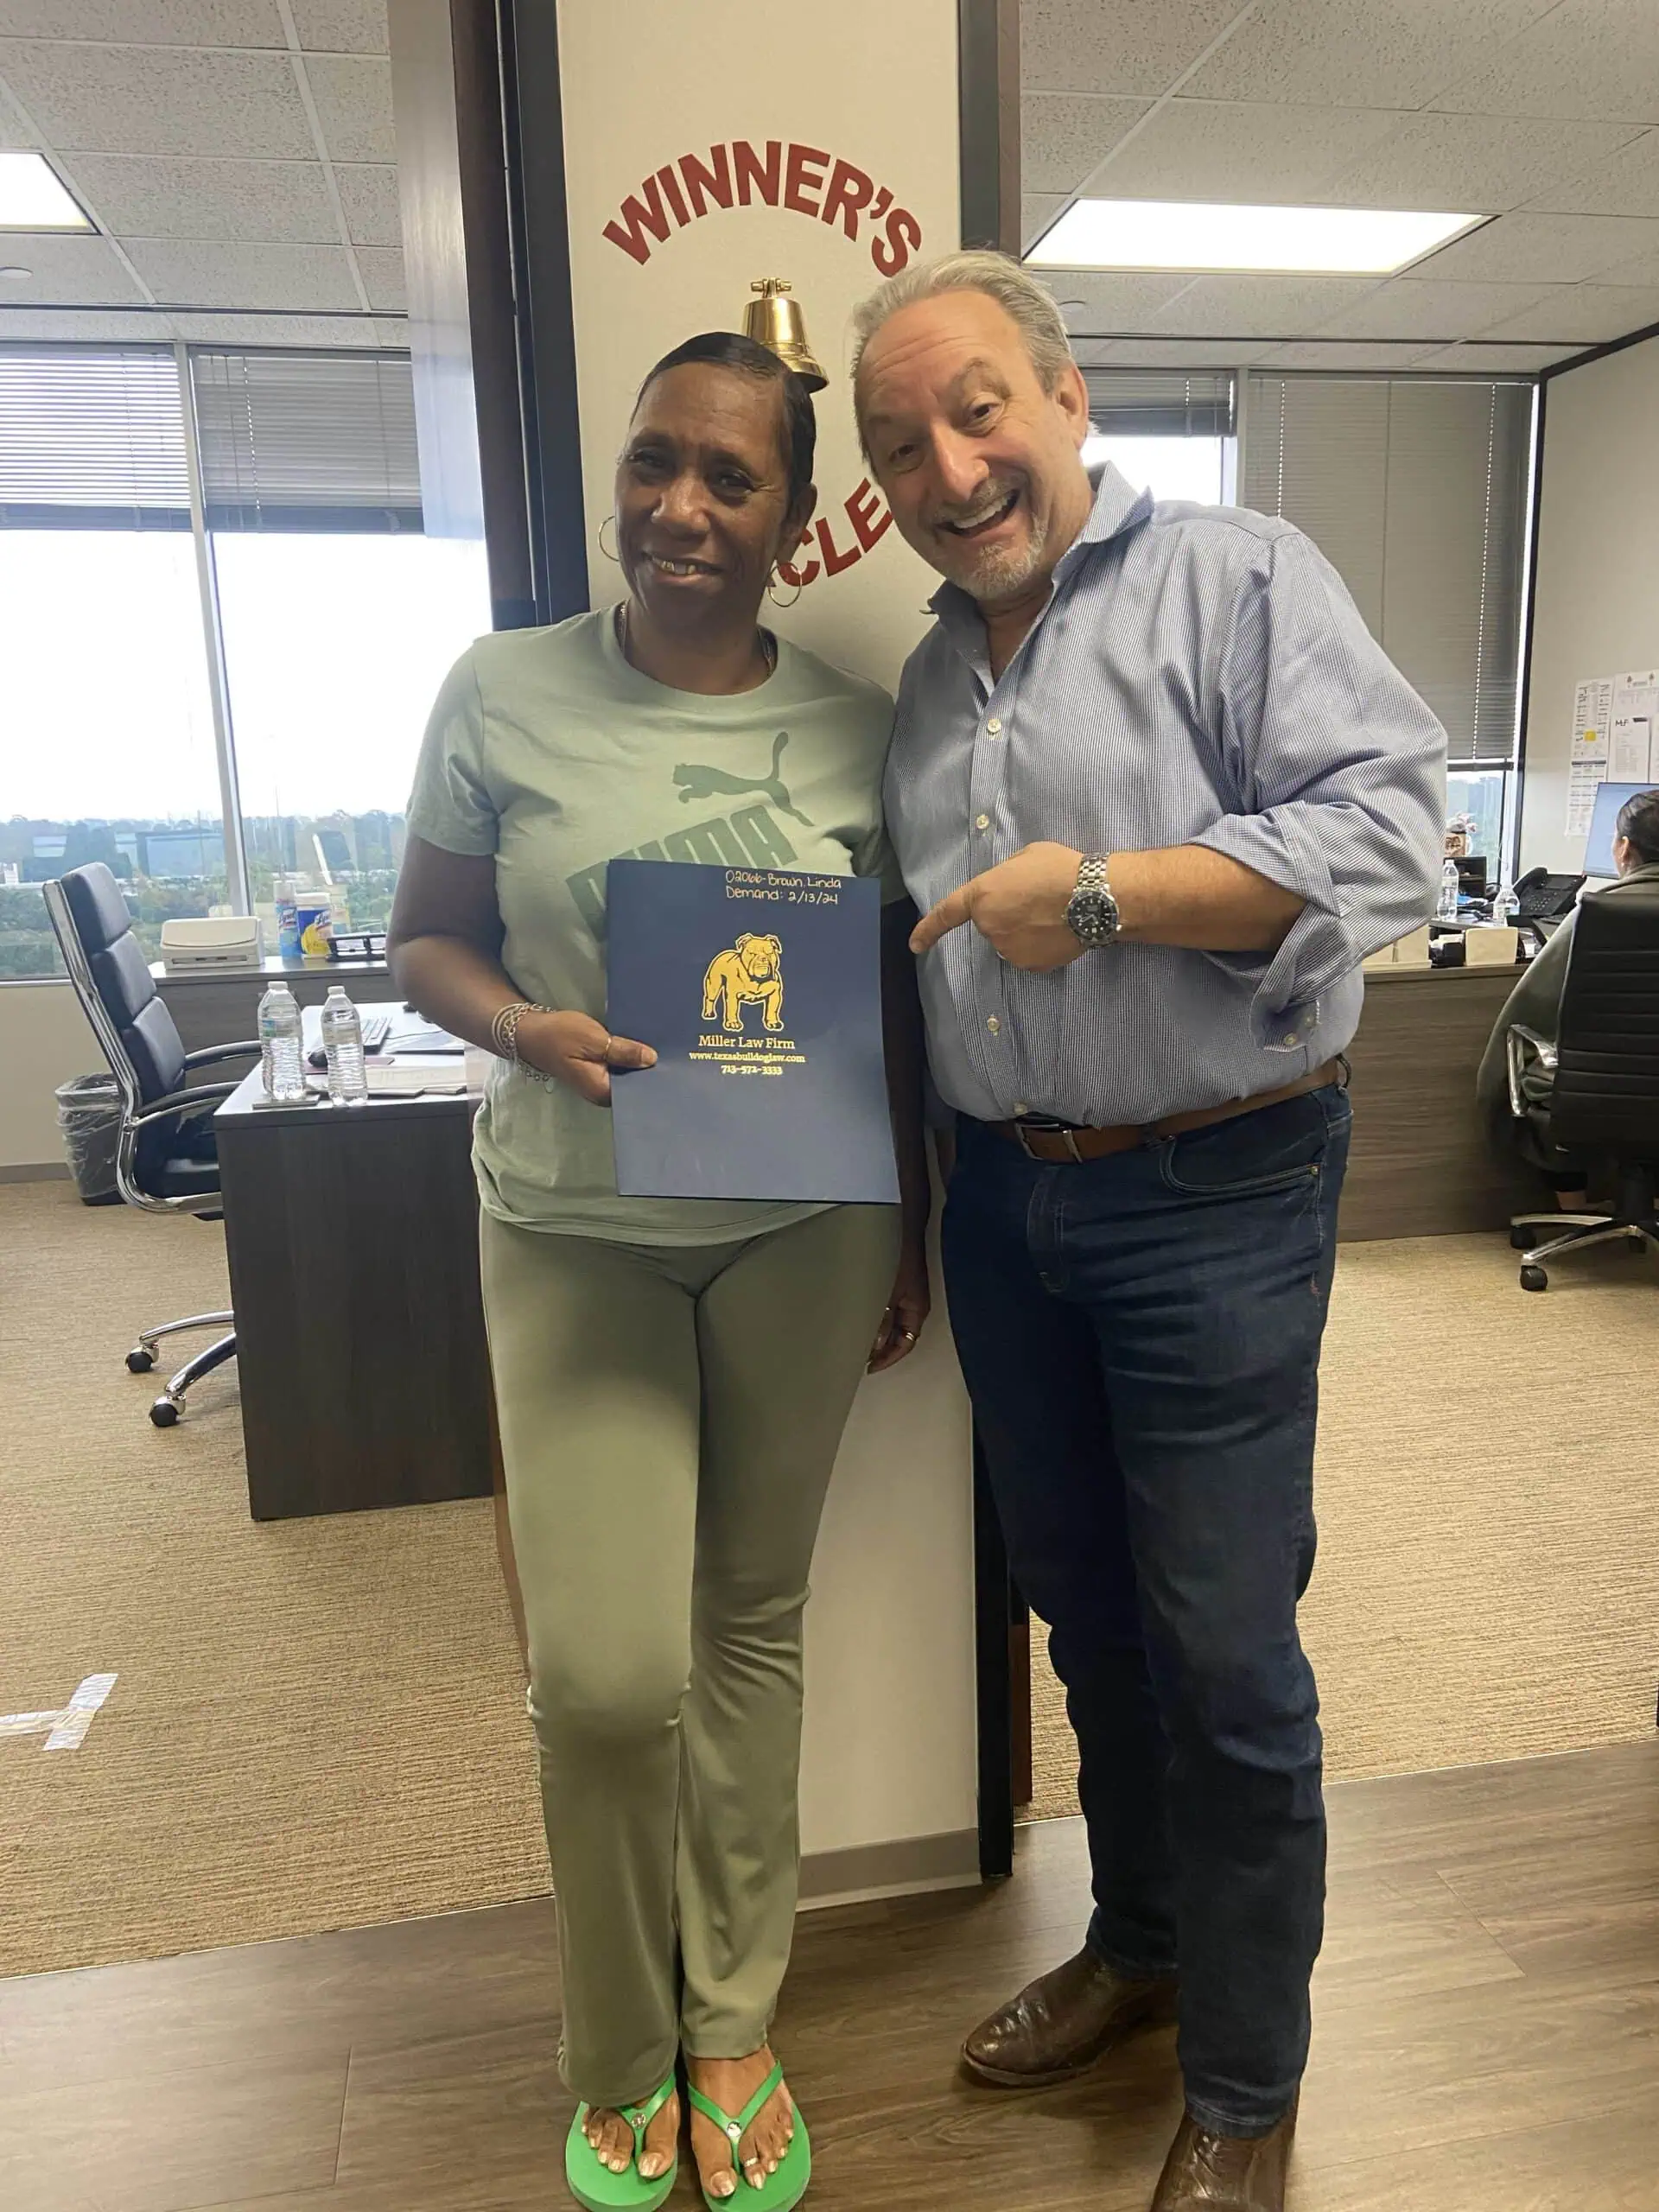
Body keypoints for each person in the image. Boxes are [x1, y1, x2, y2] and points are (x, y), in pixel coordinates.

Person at [850, 251, 1445, 2212]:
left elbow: (1394, 835)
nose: (946, 464)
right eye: (898, 439)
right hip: (1011, 1195)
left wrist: (1102, 895)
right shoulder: (931, 678)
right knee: (1086, 1615)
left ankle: (1248, 2082)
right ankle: (1142, 1938)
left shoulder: (1238, 578)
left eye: (976, 407)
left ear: (1064, 394)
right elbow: (929, 971)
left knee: (1220, 1647)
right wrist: (921, 1208)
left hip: (1219, 1181)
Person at [389, 328, 930, 2212]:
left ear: (794, 514)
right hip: (573, 1223)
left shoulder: (860, 724)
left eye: (732, 477)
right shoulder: (500, 689)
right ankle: (614, 2042)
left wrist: (910, 1221)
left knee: (751, 1623)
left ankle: (730, 2021)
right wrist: (527, 1027)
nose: (682, 509)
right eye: (655, 463)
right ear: (621, 472)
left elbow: (884, 1008)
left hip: (800, 1225)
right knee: (610, 1677)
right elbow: (421, 947)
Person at [1477, 786, 1659, 1211]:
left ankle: (1574, 1207)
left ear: (1624, 847)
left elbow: (1527, 1012)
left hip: (1597, 1092)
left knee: (1530, 1073)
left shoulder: (1597, 914)